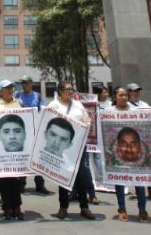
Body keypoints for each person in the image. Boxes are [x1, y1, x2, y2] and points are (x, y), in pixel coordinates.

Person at [46, 80, 95, 220]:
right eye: (68, 89)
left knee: (80, 177)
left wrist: (87, 123)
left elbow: (86, 119)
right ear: (60, 91)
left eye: (72, 89)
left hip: (78, 146)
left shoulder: (78, 105)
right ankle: (63, 207)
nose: (71, 92)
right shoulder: (53, 105)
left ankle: (84, 207)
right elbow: (47, 123)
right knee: (63, 176)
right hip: (62, 147)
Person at [107, 86, 149, 223]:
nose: (124, 97)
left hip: (136, 153)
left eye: (126, 95)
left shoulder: (136, 111)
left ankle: (142, 209)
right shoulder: (109, 112)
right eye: (121, 95)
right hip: (118, 154)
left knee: (139, 182)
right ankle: (122, 208)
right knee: (119, 182)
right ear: (115, 97)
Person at [0, 80, 27, 220]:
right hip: (2, 150)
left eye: (11, 87)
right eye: (6, 88)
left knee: (17, 180)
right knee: (5, 180)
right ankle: (7, 207)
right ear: (0, 91)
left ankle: (17, 206)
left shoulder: (20, 103)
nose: (10, 90)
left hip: (18, 150)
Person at [126, 83, 151, 202]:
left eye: (138, 91)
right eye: (134, 91)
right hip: (133, 140)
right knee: (136, 166)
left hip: (146, 139)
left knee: (149, 165)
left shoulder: (144, 104)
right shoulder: (126, 106)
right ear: (129, 93)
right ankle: (139, 191)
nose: (136, 93)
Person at [16, 75, 50, 195]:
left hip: (36, 130)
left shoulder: (38, 96)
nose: (24, 84)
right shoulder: (17, 95)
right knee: (24, 157)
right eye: (23, 82)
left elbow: (45, 110)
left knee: (38, 158)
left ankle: (40, 184)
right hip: (22, 131)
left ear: (31, 83)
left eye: (26, 82)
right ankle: (21, 184)